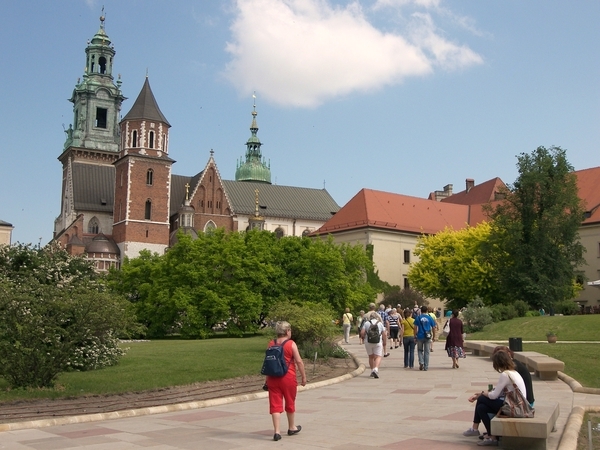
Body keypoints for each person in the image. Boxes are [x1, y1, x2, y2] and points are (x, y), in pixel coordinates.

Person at [462, 351, 527, 446]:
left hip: (514, 407)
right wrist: (482, 393)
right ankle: (492, 436)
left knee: (481, 400)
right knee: (481, 408)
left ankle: (476, 429)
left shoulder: (505, 375)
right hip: (518, 405)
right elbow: (498, 391)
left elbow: (493, 396)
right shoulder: (514, 372)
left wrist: (481, 395)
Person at [265, 321, 307, 441]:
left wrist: (266, 380)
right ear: (287, 331)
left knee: (275, 405)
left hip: (273, 378)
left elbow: (268, 363)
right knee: (290, 402)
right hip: (288, 378)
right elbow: (299, 361)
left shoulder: (271, 343)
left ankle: (277, 432)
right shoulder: (291, 344)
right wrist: (303, 376)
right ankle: (291, 427)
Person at [360, 309, 385, 378]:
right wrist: (384, 342)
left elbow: (362, 333)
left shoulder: (367, 323)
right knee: (378, 356)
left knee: (371, 356)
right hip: (378, 342)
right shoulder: (380, 323)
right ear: (376, 317)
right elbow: (384, 333)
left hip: (368, 341)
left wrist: (363, 338)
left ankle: (372, 371)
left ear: (370, 317)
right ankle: (376, 369)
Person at [415, 305, 436, 371]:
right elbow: (433, 327)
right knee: (427, 352)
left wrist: (415, 335)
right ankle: (426, 366)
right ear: (427, 311)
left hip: (420, 335)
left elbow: (415, 327)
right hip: (427, 336)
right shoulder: (430, 318)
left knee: (419, 350)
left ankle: (421, 362)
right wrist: (434, 336)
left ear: (421, 311)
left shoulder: (418, 318)